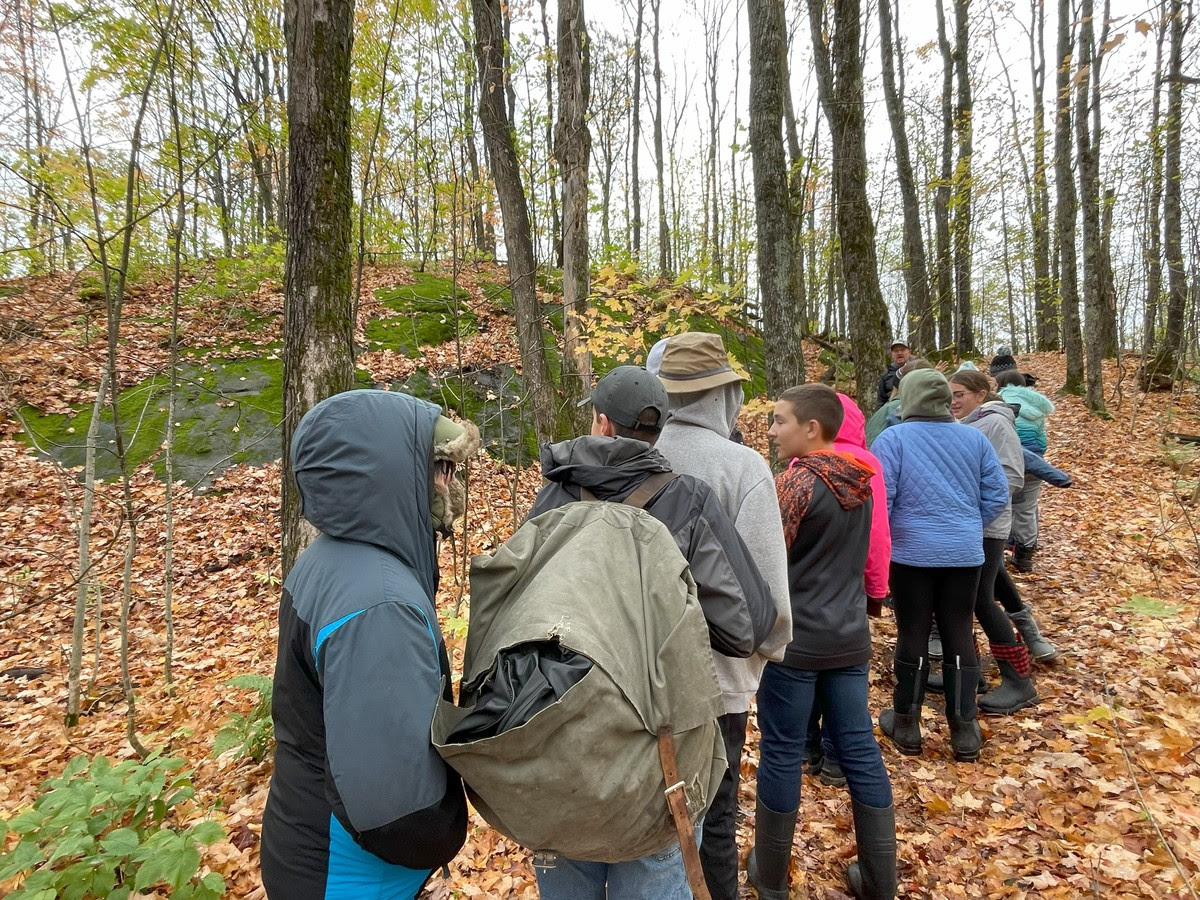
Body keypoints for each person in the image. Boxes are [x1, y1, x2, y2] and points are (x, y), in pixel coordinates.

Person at [527, 364, 777, 900]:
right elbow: (745, 626)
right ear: (657, 431)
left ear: (600, 422)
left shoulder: (551, 498)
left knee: (566, 856)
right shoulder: (689, 500)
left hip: (558, 723)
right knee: (655, 858)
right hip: (655, 734)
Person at [262, 390, 479, 900]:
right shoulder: (379, 604)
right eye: (438, 468)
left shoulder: (334, 558)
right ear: (389, 475)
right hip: (348, 879)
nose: (450, 482)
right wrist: (448, 827)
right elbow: (393, 807)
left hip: (311, 847)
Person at [652, 333, 793, 900]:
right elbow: (770, 598)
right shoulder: (742, 466)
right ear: (721, 396)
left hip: (636, 677)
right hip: (719, 679)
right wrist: (762, 659)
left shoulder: (632, 456)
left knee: (656, 814)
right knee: (715, 810)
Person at [750, 383, 895, 900]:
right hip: (849, 637)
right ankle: (881, 881)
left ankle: (769, 878)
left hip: (797, 645)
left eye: (779, 420)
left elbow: (760, 563)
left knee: (784, 751)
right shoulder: (863, 482)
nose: (771, 430)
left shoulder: (794, 486)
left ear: (811, 429)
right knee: (859, 749)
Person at [872, 370, 1008, 762]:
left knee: (913, 629)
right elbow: (997, 492)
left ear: (909, 399)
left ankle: (907, 724)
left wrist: (904, 531)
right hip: (964, 552)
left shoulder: (893, 439)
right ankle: (964, 731)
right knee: (959, 630)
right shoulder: (974, 438)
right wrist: (966, 524)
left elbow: (884, 498)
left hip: (911, 553)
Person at [804, 392, 892, 789]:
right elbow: (877, 535)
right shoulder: (867, 464)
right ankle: (837, 756)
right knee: (843, 673)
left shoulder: (803, 463)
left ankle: (808, 748)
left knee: (802, 670)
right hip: (849, 587)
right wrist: (877, 588)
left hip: (804, 590)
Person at [946, 369, 1039, 716]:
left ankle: (1019, 681)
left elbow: (1012, 476)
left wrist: (974, 507)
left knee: (983, 600)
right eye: (950, 395)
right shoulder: (964, 425)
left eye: (961, 395)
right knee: (966, 601)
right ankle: (971, 674)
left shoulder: (997, 424)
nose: (954, 401)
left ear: (981, 395)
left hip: (988, 527)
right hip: (967, 526)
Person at [994, 368, 1057, 572]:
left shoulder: (997, 401)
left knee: (1002, 507)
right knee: (1027, 509)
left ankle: (998, 552)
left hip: (1005, 461)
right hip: (1033, 464)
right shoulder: (1037, 406)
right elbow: (1042, 441)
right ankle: (1025, 556)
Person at [876, 340, 912, 409]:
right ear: (892, 354)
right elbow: (881, 400)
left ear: (909, 352)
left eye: (902, 350)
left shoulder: (917, 369)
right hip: (892, 411)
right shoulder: (886, 374)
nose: (899, 353)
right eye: (896, 351)